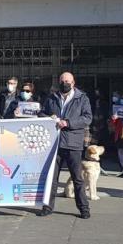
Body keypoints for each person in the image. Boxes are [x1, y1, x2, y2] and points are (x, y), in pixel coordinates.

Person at [39, 72, 93, 218]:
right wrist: (49, 118)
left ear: (73, 82)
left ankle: (84, 209)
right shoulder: (52, 98)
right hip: (54, 144)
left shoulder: (82, 98)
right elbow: (42, 113)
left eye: (67, 81)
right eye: (62, 81)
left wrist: (68, 123)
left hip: (73, 143)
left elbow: (87, 118)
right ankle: (47, 206)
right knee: (52, 178)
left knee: (77, 178)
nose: (64, 83)